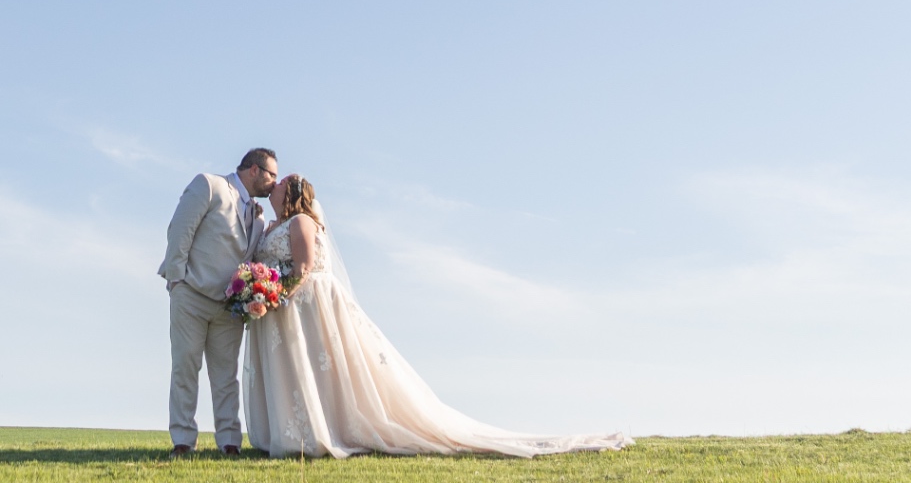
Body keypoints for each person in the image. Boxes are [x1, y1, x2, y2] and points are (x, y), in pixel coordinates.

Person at [243, 174, 631, 458]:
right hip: (287, 309)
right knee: (302, 369)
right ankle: (297, 430)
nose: (273, 185)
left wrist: (277, 294)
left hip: (308, 304)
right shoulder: (271, 225)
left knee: (322, 368)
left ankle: (326, 431)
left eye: (279, 183)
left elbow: (306, 265)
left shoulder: (301, 222)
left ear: (291, 193)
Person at [159, 148, 279, 455]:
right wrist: (176, 280)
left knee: (226, 376)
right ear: (254, 170)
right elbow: (180, 230)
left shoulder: (258, 215)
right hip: (191, 295)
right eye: (272, 175)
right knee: (185, 368)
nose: (274, 183)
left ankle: (229, 443)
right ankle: (183, 441)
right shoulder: (209, 185)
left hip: (229, 307)